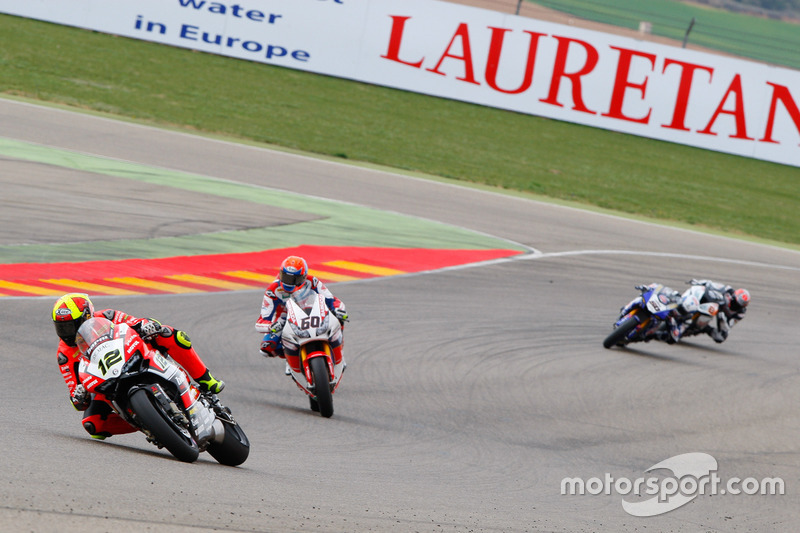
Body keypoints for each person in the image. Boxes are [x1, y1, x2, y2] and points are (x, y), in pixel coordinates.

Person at [53, 292, 225, 440]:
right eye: (61, 328)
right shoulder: (64, 354)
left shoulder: (107, 316)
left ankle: (206, 379)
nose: (66, 333)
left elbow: (136, 323)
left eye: (70, 326)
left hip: (134, 354)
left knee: (169, 334)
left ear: (87, 316)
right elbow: (76, 392)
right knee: (93, 425)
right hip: (105, 379)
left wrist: (147, 325)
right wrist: (79, 396)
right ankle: (149, 423)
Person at [255, 255, 348, 359]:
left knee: (339, 318)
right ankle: (289, 356)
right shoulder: (273, 290)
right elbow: (261, 321)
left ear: (303, 276)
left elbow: (331, 299)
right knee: (266, 349)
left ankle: (339, 347)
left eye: (294, 279)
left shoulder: (312, 281)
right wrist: (270, 326)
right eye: (286, 277)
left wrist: (338, 310)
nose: (288, 282)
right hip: (284, 318)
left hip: (312, 310)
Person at [686, 279, 750, 343]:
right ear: (733, 295)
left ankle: (703, 328)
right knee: (699, 291)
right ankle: (681, 301)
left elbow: (729, 326)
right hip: (710, 302)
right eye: (734, 301)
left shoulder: (740, 314)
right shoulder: (728, 290)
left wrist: (723, 318)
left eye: (737, 305)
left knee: (721, 337)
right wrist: (699, 283)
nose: (734, 305)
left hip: (721, 315)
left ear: (742, 307)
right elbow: (711, 284)